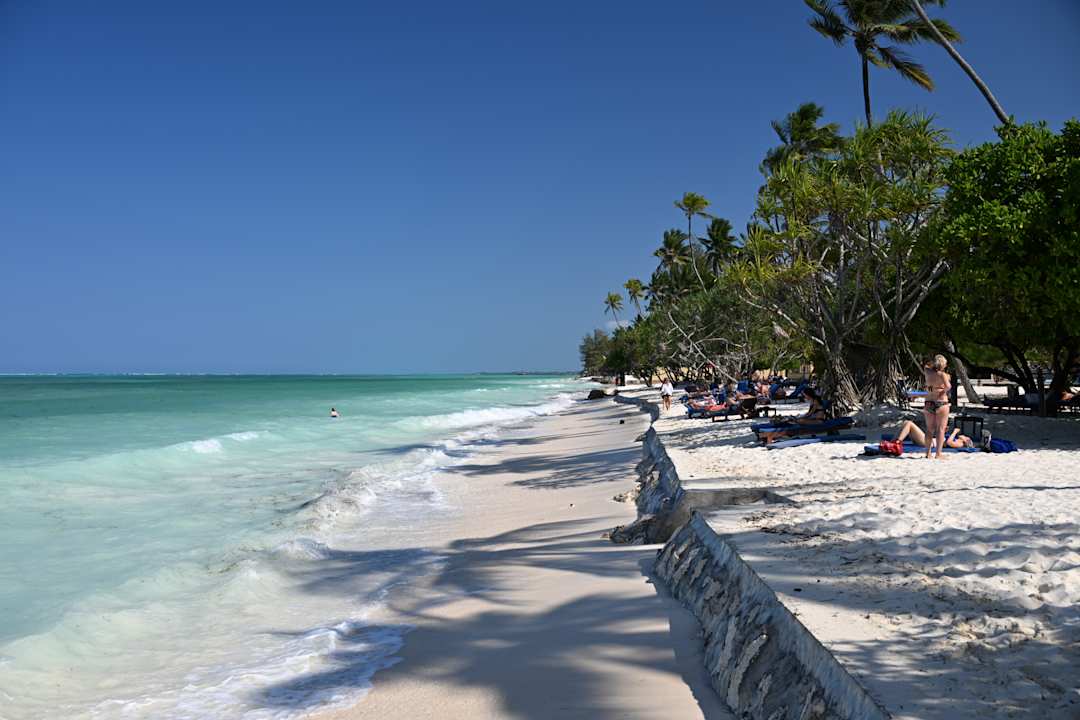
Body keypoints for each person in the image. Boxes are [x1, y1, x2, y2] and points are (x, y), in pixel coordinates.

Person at [760, 387, 827, 444]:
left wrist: (800, 418)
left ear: (808, 394)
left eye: (804, 395)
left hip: (818, 421)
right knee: (798, 420)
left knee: (800, 421)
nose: (804, 396)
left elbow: (810, 414)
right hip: (813, 419)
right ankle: (791, 422)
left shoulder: (815, 401)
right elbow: (809, 413)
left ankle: (791, 424)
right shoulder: (812, 400)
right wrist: (799, 417)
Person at [922, 354, 952, 459]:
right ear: (943, 364)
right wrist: (942, 391)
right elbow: (948, 386)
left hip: (929, 401)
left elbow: (926, 364)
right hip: (941, 401)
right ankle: (938, 454)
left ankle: (927, 453)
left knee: (929, 429)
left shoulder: (928, 372)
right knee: (940, 429)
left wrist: (933, 363)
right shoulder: (942, 375)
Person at [894, 420, 973, 449]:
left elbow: (949, 443)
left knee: (910, 423)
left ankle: (897, 442)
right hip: (929, 440)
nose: (964, 435)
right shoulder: (956, 439)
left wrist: (954, 432)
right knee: (906, 422)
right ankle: (893, 442)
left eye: (966, 436)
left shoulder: (960, 443)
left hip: (928, 443)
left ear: (966, 440)